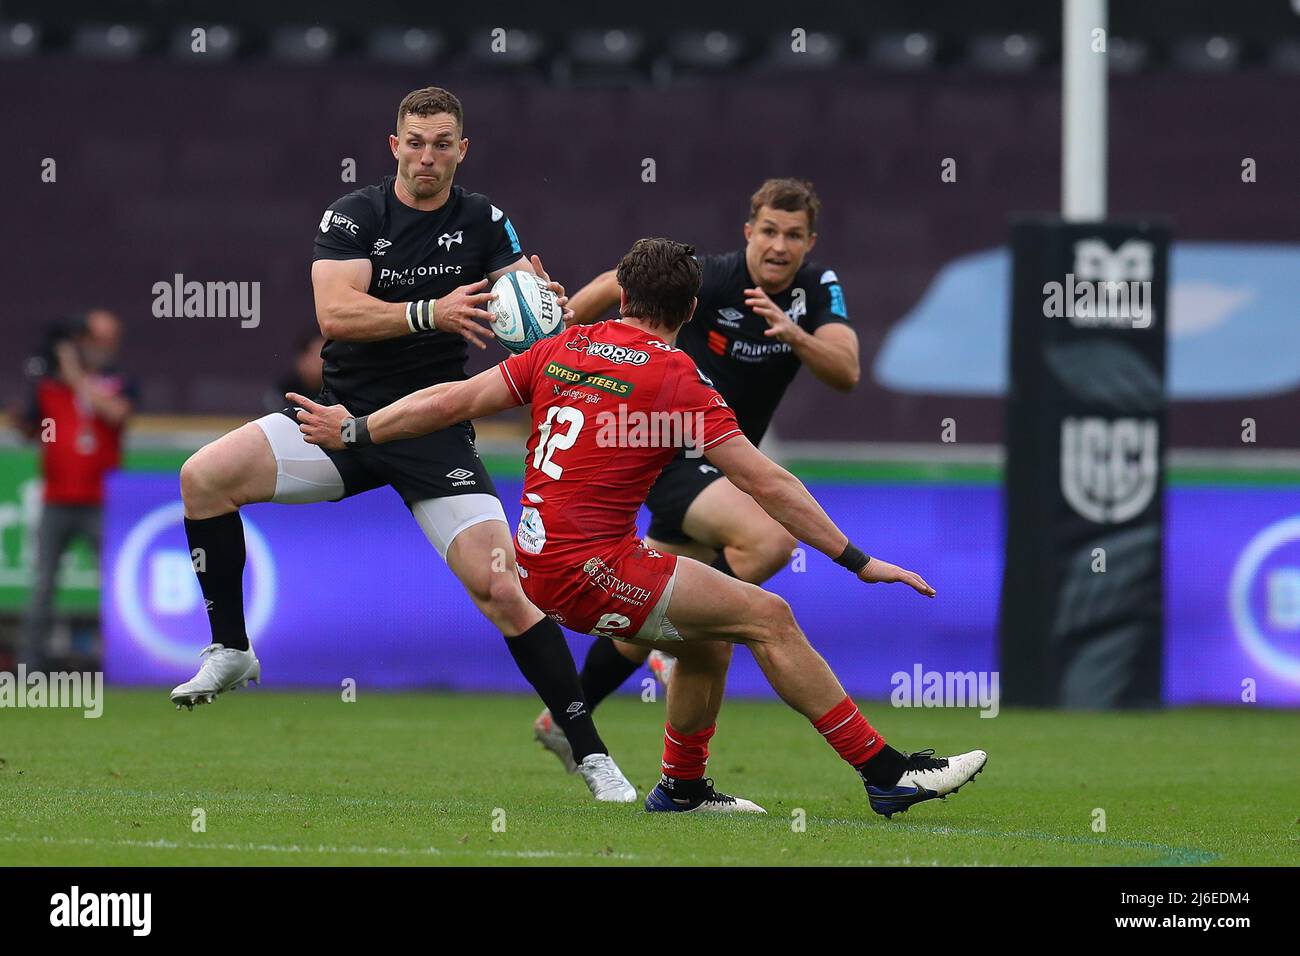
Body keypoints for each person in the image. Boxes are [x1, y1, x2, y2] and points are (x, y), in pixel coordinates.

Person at [290, 238, 987, 818]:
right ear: (689, 309)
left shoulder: (562, 349)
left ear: (622, 297)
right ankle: (887, 773)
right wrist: (858, 559)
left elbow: (455, 399)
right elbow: (766, 480)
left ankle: (682, 788)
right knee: (770, 616)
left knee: (710, 636)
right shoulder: (676, 377)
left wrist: (356, 426)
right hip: (590, 569)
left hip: (540, 563)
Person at [170, 86, 636, 802]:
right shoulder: (354, 215)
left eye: (441, 143)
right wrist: (431, 311)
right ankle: (231, 648)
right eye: (414, 142)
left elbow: (522, 303)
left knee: (502, 588)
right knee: (203, 476)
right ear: (394, 147)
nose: (426, 156)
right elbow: (337, 313)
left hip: (430, 427)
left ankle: (591, 753)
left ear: (461, 150)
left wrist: (543, 309)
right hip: (338, 422)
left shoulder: (482, 218)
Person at [536, 179, 859, 765]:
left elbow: (846, 371)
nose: (778, 246)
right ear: (748, 232)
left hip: (723, 467)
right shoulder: (713, 275)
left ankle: (567, 716)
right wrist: (560, 326)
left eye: (793, 235)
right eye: (768, 231)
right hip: (671, 453)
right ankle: (682, 630)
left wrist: (796, 337)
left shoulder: (816, 291)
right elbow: (619, 281)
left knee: (643, 603)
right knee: (766, 540)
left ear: (810, 243)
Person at [14, 310, 134, 670]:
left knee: (115, 586)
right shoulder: (49, 387)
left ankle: (124, 662)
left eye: (108, 338)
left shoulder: (118, 381)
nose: (100, 346)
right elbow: (27, 430)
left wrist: (76, 377)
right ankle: (28, 667)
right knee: (43, 586)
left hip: (102, 501)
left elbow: (117, 415)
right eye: (93, 338)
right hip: (57, 500)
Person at [263, 332, 325, 414]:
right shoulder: (284, 389)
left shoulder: (338, 391)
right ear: (302, 358)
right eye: (317, 358)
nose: (323, 362)